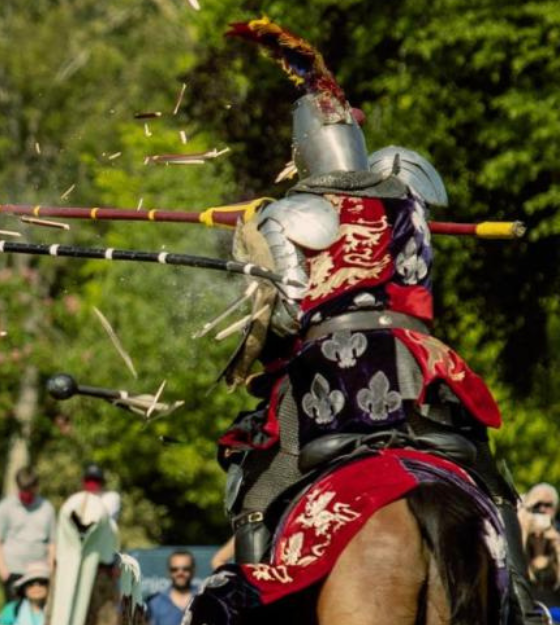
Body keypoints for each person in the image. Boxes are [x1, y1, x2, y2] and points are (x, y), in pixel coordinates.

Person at [211, 17, 542, 624]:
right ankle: (522, 601)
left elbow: (280, 317)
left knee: (255, 488)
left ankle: (248, 610)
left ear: (303, 153)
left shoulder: (287, 214)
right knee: (490, 479)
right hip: (420, 371)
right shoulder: (409, 197)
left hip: (331, 386)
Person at [0, 468, 56, 601]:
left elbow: (52, 543)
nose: (26, 494)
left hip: (39, 572)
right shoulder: (5, 507)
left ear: (36, 487)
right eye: (23, 489)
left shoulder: (47, 508)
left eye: (30, 489)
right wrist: (3, 572)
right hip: (14, 571)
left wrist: (51, 570)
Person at [520, 484, 560, 610]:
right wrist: (523, 533)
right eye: (536, 505)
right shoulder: (518, 536)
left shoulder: (557, 536)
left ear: (556, 509)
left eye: (548, 505)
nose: (542, 510)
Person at [146, 550, 196, 625]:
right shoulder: (154, 602)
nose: (180, 573)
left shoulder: (205, 600)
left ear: (193, 570)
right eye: (174, 569)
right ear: (168, 572)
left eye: (186, 569)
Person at [0, 561, 49, 625]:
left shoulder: (58, 610)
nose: (36, 587)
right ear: (24, 588)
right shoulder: (11, 610)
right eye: (31, 583)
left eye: (42, 582)